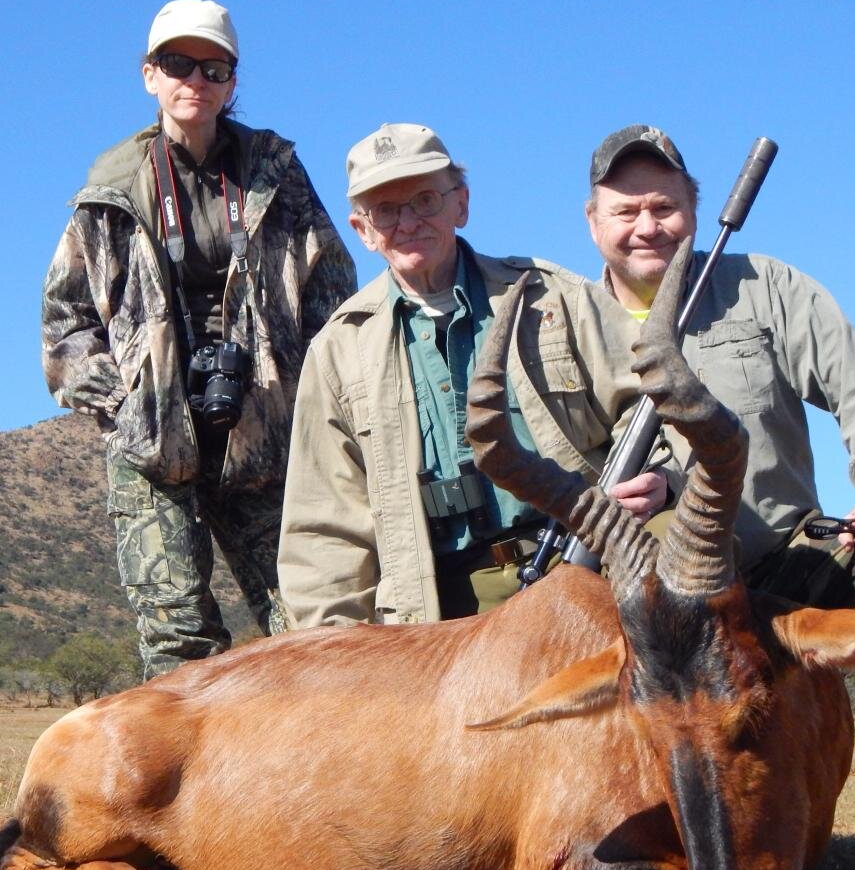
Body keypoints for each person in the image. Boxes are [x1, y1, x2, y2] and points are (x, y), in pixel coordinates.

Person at [584, 124, 855, 870]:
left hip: (779, 564)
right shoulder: (565, 321)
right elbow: (553, 458)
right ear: (592, 220)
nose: (645, 225)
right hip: (656, 591)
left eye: (663, 206)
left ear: (695, 211)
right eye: (624, 209)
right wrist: (604, 504)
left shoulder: (764, 286)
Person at [42, 0, 356, 678]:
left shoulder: (276, 173)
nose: (197, 80)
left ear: (233, 82)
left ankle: (306, 775)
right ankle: (190, 784)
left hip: (265, 435)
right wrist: (118, 394)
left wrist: (316, 389)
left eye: (214, 67)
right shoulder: (109, 191)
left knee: (310, 621)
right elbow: (65, 319)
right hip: (156, 444)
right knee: (179, 638)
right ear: (149, 74)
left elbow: (331, 280)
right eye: (178, 63)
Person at [277, 123, 665, 626]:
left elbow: (657, 405)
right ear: (363, 230)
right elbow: (323, 531)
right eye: (387, 211)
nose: (408, 222)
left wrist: (663, 478)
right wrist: (335, 655)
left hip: (588, 568)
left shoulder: (552, 296)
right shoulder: (338, 349)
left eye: (424, 200)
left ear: (461, 203)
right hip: (441, 614)